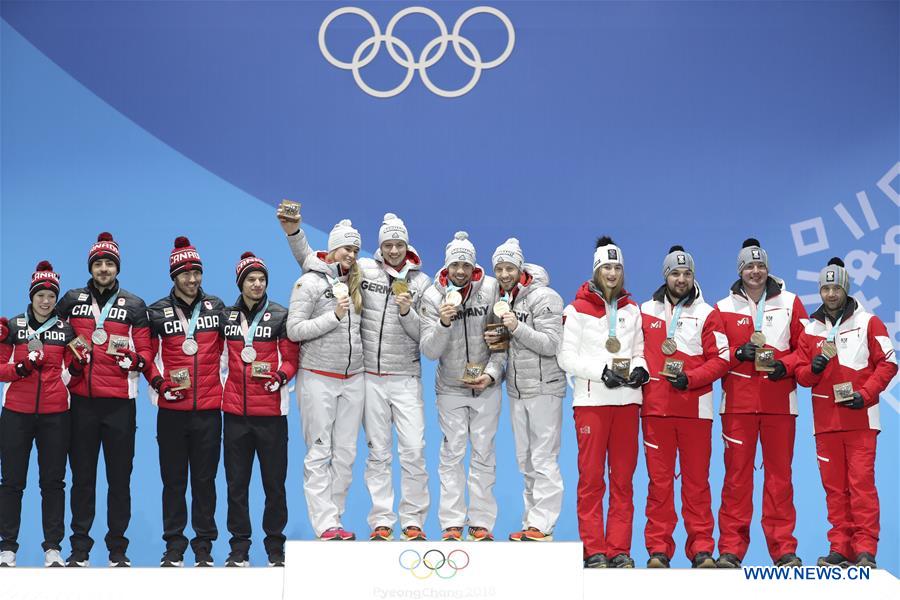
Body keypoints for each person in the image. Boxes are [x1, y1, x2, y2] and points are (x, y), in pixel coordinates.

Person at [279, 210, 432, 542]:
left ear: (407, 244)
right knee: (328, 451)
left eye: (399, 243)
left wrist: (408, 311)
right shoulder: (354, 274)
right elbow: (311, 261)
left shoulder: (413, 281)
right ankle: (332, 522)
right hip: (329, 375)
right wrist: (294, 233)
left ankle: (343, 519)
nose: (393, 250)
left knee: (350, 453)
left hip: (363, 377)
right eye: (387, 244)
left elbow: (427, 333)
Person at [56, 232, 151, 568]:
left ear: (117, 267)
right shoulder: (70, 300)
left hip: (120, 404)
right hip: (81, 402)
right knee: (82, 478)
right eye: (98, 263)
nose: (104, 268)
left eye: (109, 263)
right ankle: (79, 549)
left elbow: (145, 349)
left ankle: (117, 550)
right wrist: (71, 366)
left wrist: (137, 362)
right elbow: (57, 340)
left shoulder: (134, 305)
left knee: (119, 479)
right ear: (91, 267)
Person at [713, 238, 808, 568]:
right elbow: (716, 356)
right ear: (740, 271)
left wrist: (787, 365)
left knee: (779, 479)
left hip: (779, 402)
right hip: (737, 405)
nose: (756, 271)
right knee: (736, 479)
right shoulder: (723, 307)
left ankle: (783, 549)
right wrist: (738, 354)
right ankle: (730, 549)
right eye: (749, 266)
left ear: (768, 268)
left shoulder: (791, 303)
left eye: (760, 265)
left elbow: (805, 349)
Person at [796, 258, 896, 569]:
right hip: (826, 424)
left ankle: (865, 550)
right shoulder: (810, 328)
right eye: (825, 288)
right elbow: (800, 374)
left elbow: (889, 363)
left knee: (861, 485)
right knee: (834, 489)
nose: (830, 293)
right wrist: (812, 369)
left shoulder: (869, 322)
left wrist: (866, 395)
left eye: (836, 287)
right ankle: (840, 548)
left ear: (846, 288)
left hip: (861, 419)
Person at [557, 236, 646, 569]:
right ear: (596, 270)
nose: (612, 273)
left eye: (617, 267)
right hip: (592, 402)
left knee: (623, 480)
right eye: (606, 267)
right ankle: (593, 549)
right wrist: (600, 371)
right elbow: (566, 356)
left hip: (626, 403)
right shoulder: (576, 309)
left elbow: (639, 352)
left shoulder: (632, 310)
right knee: (592, 479)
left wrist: (641, 371)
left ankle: (619, 548)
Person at [639, 246, 729, 568]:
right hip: (655, 410)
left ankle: (702, 548)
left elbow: (722, 359)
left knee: (696, 483)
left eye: (687, 273)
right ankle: (659, 550)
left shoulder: (707, 313)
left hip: (695, 410)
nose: (681, 279)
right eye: (675, 273)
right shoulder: (645, 310)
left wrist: (690, 379)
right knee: (659, 484)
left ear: (694, 276)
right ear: (666, 276)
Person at [144, 237, 225, 567]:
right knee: (173, 481)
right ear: (174, 276)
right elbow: (147, 356)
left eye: (197, 273)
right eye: (185, 273)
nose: (192, 279)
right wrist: (160, 384)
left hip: (208, 410)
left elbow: (232, 354)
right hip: (172, 412)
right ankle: (174, 545)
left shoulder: (217, 308)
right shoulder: (156, 312)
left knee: (205, 481)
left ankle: (204, 546)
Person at [0, 262, 87, 568]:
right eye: (41, 295)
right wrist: (19, 369)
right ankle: (7, 548)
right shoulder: (12, 326)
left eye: (51, 295)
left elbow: (73, 375)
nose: (46, 300)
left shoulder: (65, 330)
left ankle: (53, 548)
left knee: (53, 482)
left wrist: (79, 364)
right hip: (16, 415)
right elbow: (0, 369)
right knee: (11, 482)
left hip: (55, 415)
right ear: (31, 296)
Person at [420, 231, 505, 542]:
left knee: (484, 454)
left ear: (474, 267)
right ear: (446, 267)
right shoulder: (431, 296)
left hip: (486, 388)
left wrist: (492, 375)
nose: (460, 271)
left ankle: (481, 523)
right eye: (455, 264)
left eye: (465, 265)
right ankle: (452, 524)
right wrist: (444, 322)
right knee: (452, 455)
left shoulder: (492, 289)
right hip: (450, 389)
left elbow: (501, 344)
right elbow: (429, 351)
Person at [286, 220, 365, 541]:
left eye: (356, 250)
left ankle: (336, 519)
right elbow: (295, 329)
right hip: (317, 377)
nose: (351, 254)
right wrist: (333, 317)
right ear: (332, 248)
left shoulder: (357, 283)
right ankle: (325, 523)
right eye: (347, 248)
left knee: (346, 454)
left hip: (352, 379)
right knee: (320, 452)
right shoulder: (309, 283)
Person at [220, 251, 298, 567]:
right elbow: (218, 360)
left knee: (274, 486)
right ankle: (239, 547)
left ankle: (275, 548)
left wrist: (280, 376)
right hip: (235, 415)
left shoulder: (280, 315)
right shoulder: (225, 317)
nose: (257, 284)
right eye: (251, 279)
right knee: (236, 486)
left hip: (271, 415)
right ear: (241, 283)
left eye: (261, 279)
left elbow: (292, 359)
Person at [487, 238, 566, 542]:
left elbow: (551, 345)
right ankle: (532, 523)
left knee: (544, 459)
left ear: (520, 268)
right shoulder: (503, 300)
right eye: (499, 268)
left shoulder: (545, 297)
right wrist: (491, 375)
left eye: (509, 267)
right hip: (517, 392)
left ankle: (543, 524)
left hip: (545, 389)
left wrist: (517, 327)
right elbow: (498, 347)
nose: (504, 273)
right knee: (526, 461)